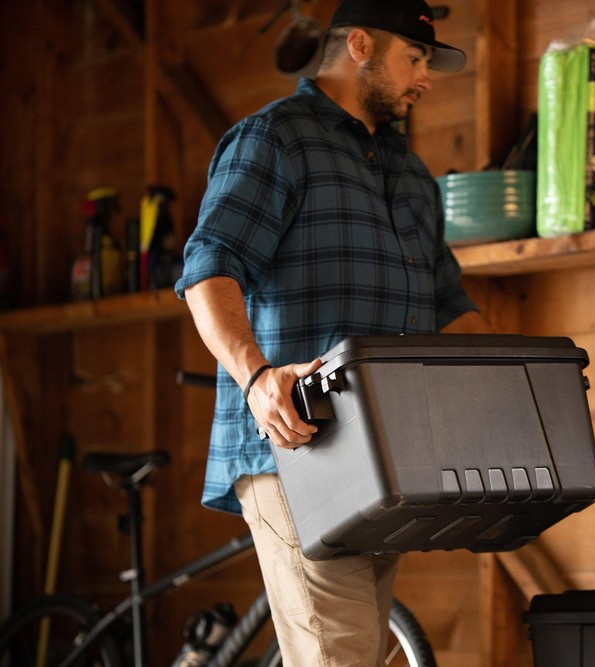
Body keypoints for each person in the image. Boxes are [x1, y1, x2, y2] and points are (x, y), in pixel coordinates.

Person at [175, 0, 491, 663]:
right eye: (415, 58)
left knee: (355, 653)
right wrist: (258, 378)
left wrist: (514, 382)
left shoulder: (411, 177)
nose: (425, 79)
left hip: (386, 456)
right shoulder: (275, 140)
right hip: (298, 445)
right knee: (339, 655)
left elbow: (449, 302)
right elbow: (209, 269)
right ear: (359, 46)